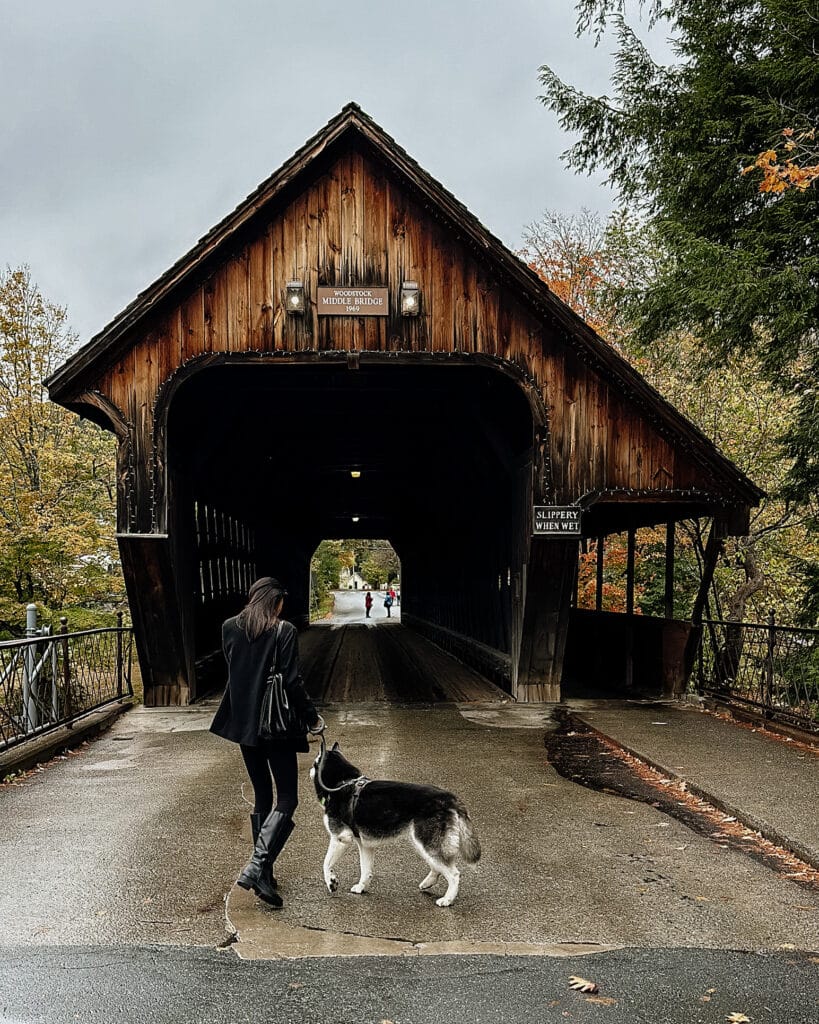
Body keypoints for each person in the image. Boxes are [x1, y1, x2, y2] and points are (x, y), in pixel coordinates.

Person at [210, 577, 323, 908]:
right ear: (276, 602)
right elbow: (291, 681)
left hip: (244, 725)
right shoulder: (283, 630)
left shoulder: (229, 627)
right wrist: (312, 719)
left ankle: (266, 873)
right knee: (287, 799)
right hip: (276, 726)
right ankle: (257, 866)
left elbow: (235, 672)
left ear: (252, 598)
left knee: (262, 796)